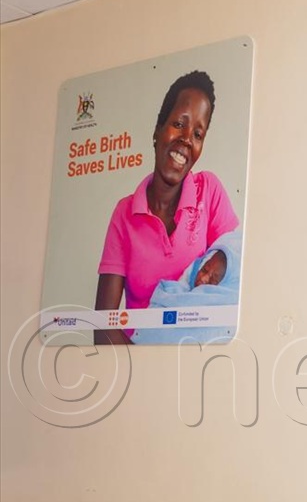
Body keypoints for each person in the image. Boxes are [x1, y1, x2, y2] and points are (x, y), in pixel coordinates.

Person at [95, 70, 239, 344]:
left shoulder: (209, 191)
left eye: (198, 134)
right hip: (137, 356)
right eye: (178, 124)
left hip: (199, 355)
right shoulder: (124, 213)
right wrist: (145, 364)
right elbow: (102, 326)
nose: (187, 139)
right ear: (157, 131)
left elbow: (236, 271)